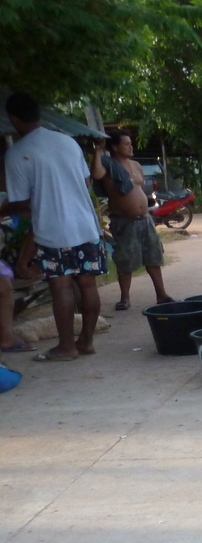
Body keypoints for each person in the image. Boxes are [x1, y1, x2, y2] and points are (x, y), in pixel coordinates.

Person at [1, 92, 106, 362]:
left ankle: (66, 347)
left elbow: (22, 202)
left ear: (13, 118)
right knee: (87, 286)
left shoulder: (18, 153)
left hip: (53, 231)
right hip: (86, 226)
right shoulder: (68, 142)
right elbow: (85, 182)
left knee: (61, 288)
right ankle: (87, 342)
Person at [90, 129, 173, 310]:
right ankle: (125, 298)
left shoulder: (135, 165)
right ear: (114, 146)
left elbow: (139, 185)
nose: (130, 146)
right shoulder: (106, 164)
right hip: (124, 220)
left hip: (145, 218)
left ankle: (162, 295)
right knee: (124, 260)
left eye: (130, 143)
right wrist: (98, 150)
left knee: (153, 256)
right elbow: (96, 175)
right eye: (126, 143)